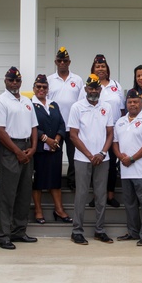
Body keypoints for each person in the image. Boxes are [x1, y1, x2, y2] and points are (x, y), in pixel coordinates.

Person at [0, 67, 39, 250]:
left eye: (17, 80)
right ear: (5, 81)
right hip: (10, 149)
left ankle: (19, 231)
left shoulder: (27, 101)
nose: (14, 83)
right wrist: (17, 152)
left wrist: (33, 148)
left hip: (27, 147)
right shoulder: (1, 102)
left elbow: (34, 126)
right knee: (7, 193)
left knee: (24, 192)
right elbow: (0, 131)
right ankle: (3, 235)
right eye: (11, 80)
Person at [67, 73, 115, 245]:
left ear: (100, 89)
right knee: (80, 194)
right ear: (86, 88)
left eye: (96, 87)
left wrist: (102, 153)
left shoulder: (107, 107)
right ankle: (77, 231)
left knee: (101, 195)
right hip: (82, 158)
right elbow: (73, 135)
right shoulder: (77, 107)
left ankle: (99, 230)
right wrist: (89, 154)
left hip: (103, 158)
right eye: (90, 87)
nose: (93, 90)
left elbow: (110, 133)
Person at [113, 89, 142, 246]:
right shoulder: (120, 122)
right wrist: (120, 157)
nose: (132, 104)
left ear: (141, 104)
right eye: (130, 102)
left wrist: (132, 158)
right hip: (126, 171)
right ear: (126, 104)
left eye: (136, 102)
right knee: (130, 204)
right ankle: (133, 232)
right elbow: (115, 143)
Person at [30, 74, 71, 224]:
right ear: (34, 88)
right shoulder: (29, 104)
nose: (41, 89)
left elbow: (61, 123)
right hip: (39, 149)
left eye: (44, 87)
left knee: (55, 179)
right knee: (38, 181)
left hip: (55, 149)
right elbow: (30, 125)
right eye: (39, 87)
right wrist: (46, 139)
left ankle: (59, 209)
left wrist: (58, 139)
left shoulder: (54, 104)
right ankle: (38, 211)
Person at [88, 54, 123, 208]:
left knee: (111, 164)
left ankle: (110, 195)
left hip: (114, 131)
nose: (100, 69)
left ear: (107, 69)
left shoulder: (116, 85)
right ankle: (96, 196)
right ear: (93, 70)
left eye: (103, 66)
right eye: (97, 66)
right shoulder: (90, 86)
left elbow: (122, 109)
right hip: (95, 131)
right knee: (95, 163)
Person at [47, 46, 82, 190]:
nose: (62, 63)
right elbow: (45, 102)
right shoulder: (49, 80)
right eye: (60, 60)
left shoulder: (78, 79)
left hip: (73, 125)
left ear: (69, 62)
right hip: (55, 126)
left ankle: (72, 182)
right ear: (55, 62)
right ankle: (54, 183)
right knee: (55, 156)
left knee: (74, 156)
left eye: (65, 60)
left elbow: (81, 103)